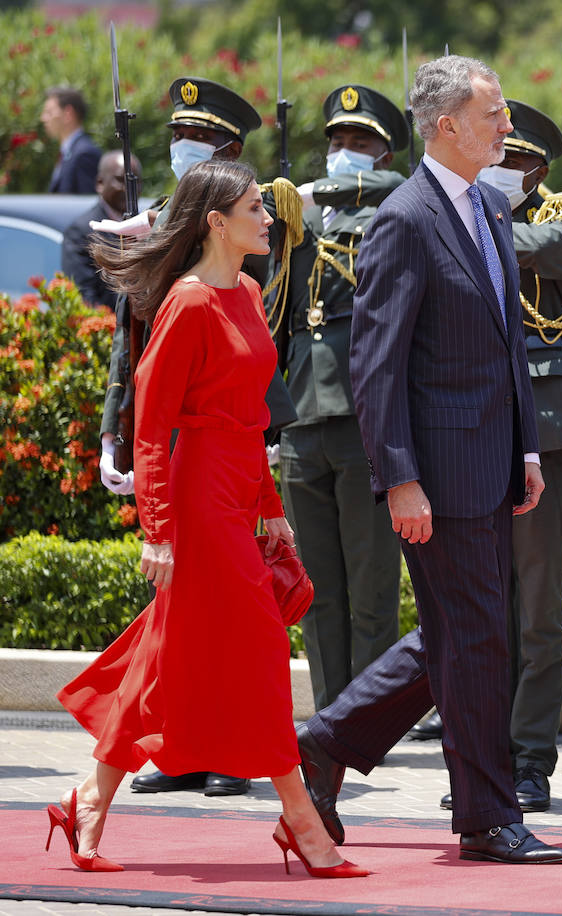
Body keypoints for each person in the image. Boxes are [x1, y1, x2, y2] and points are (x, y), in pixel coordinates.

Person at [49, 159, 366, 879]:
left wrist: (270, 507)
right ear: (215, 222)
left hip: (236, 487)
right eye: (256, 207)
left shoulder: (250, 293)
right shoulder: (188, 303)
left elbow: (253, 417)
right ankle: (304, 824)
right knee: (259, 644)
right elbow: (153, 427)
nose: (268, 217)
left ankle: (85, 805)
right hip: (193, 499)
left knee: (162, 654)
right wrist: (156, 529)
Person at [348, 54, 562, 864]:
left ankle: (325, 745)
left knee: (461, 633)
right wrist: (400, 477)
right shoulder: (406, 218)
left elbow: (508, 345)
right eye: (495, 114)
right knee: (475, 640)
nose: (508, 128)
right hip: (438, 475)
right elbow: (375, 366)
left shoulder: (489, 209)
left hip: (493, 462)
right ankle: (487, 815)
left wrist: (528, 448)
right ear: (447, 125)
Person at [94, 76, 292, 799]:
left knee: (183, 633)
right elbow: (142, 363)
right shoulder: (171, 260)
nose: (183, 149)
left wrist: (268, 481)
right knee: (215, 630)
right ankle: (273, 789)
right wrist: (114, 432)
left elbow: (263, 372)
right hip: (198, 472)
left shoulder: (250, 262)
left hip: (237, 463)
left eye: (201, 141)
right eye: (179, 137)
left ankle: (100, 793)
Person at [266, 84, 408, 712]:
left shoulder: (395, 210)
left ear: (383, 156)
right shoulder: (300, 220)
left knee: (372, 584)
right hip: (302, 414)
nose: (343, 153)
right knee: (317, 585)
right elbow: (274, 318)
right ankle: (330, 714)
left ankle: (367, 716)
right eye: (336, 142)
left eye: (360, 143)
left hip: (366, 418)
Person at [61, 150, 142, 311]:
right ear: (100, 183)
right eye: (121, 180)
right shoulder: (81, 232)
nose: (129, 189)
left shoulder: (146, 226)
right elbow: (84, 295)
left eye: (135, 182)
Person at [42, 86, 101, 194]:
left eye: (49, 112)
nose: (43, 118)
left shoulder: (84, 154)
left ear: (68, 114)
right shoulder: (70, 152)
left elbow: (87, 204)